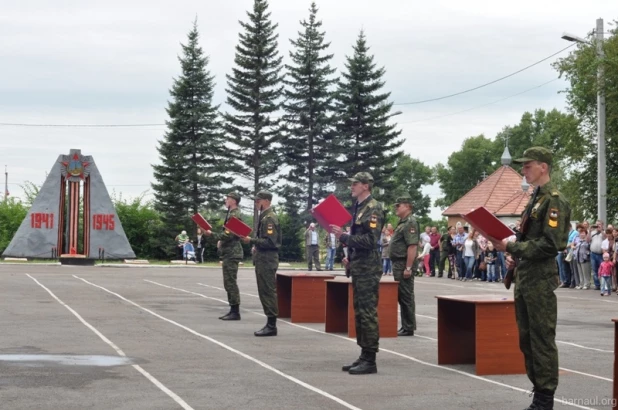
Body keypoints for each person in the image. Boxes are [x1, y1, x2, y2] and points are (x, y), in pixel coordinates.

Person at [488, 147, 570, 410]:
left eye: (528, 165)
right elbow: (528, 238)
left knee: (541, 339)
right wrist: (516, 254)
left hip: (540, 280)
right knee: (526, 338)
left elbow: (551, 245)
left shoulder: (553, 201)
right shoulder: (534, 198)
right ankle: (538, 394)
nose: (523, 169)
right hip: (525, 276)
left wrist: (511, 248)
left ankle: (545, 400)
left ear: (543, 167)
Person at [330, 172, 384, 375]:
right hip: (359, 265)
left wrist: (343, 236)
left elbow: (371, 241)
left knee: (367, 313)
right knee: (360, 313)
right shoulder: (359, 208)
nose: (351, 186)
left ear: (366, 186)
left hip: (369, 268)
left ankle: (370, 359)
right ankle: (364, 354)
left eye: (355, 184)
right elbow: (358, 239)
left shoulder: (373, 208)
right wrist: (349, 258)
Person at [241, 191, 281, 336]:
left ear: (266, 201)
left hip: (267, 259)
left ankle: (271, 325)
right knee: (264, 290)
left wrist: (251, 240)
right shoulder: (265, 217)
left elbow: (270, 242)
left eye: (258, 201)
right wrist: (255, 245)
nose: (256, 204)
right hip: (263, 258)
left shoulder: (269, 219)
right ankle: (270, 323)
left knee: (268, 291)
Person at [205, 192, 244, 320]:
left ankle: (235, 311)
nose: (225, 200)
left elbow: (229, 234)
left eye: (227, 199)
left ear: (233, 201)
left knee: (230, 282)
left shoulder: (235, 215)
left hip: (232, 253)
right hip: (229, 252)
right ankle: (233, 309)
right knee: (228, 282)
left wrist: (212, 234)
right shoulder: (232, 214)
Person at [388, 195, 419, 336]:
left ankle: (409, 327)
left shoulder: (410, 222)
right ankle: (406, 325)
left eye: (398, 205)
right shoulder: (402, 222)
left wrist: (408, 267)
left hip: (403, 263)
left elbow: (412, 246)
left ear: (407, 206)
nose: (396, 207)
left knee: (406, 296)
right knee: (401, 295)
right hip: (398, 263)